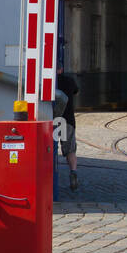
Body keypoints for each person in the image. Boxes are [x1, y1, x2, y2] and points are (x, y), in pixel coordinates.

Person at [54, 64, 80, 192]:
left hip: (53, 120)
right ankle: (73, 171)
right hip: (67, 120)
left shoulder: (51, 82)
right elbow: (76, 90)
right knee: (70, 150)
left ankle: (51, 173)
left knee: (51, 148)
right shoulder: (69, 81)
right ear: (61, 69)